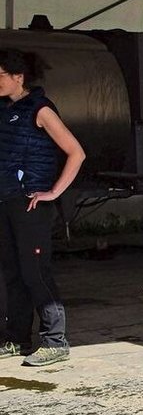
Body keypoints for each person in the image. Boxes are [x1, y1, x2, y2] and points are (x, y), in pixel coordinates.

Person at [0, 49, 86, 367]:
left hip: (29, 203)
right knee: (12, 272)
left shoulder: (41, 109)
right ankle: (16, 338)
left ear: (18, 77)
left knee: (34, 270)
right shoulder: (4, 109)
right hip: (5, 201)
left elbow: (76, 152)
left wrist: (53, 192)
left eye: (0, 75)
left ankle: (55, 340)